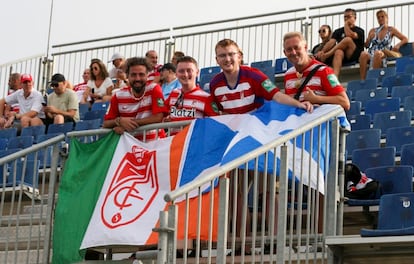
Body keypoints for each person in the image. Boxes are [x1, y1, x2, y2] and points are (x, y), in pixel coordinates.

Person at [210, 38, 313, 114]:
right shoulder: (214, 84)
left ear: (239, 57)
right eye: (222, 55)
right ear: (217, 60)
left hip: (256, 131)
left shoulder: (254, 76)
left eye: (231, 54)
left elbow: (277, 96)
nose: (227, 59)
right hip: (235, 134)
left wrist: (299, 104)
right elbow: (220, 112)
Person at [103, 57, 168, 141]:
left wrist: (127, 124)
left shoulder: (154, 89)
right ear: (127, 76)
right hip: (130, 148)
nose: (137, 78)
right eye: (133, 75)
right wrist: (119, 121)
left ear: (147, 75)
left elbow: (158, 117)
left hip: (155, 146)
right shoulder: (118, 95)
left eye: (141, 74)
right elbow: (106, 123)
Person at [283, 31, 350, 111]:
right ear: (285, 53)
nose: (293, 52)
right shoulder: (288, 75)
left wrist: (317, 99)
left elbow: (345, 102)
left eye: (297, 47)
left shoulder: (324, 71)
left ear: (305, 47)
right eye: (289, 49)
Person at [164, 56, 219, 134]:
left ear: (197, 72)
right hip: (173, 144)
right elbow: (161, 114)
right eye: (181, 71)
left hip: (194, 144)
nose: (185, 75)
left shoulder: (206, 98)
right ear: (176, 74)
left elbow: (216, 124)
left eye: (189, 70)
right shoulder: (173, 94)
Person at [359, 9, 408, 80]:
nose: (380, 19)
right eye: (378, 17)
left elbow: (405, 39)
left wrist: (397, 45)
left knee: (377, 54)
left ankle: (373, 79)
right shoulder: (373, 30)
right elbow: (366, 45)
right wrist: (369, 38)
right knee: (363, 54)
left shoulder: (391, 29)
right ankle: (362, 81)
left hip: (383, 52)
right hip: (371, 51)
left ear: (387, 18)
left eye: (382, 17)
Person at [317, 8, 365, 77]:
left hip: (355, 55)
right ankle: (335, 78)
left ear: (354, 18)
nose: (346, 19)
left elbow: (350, 35)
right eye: (345, 17)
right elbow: (331, 42)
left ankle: (327, 54)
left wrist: (346, 25)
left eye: (349, 17)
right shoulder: (338, 31)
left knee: (347, 39)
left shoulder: (360, 30)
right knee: (338, 51)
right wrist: (322, 51)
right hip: (343, 56)